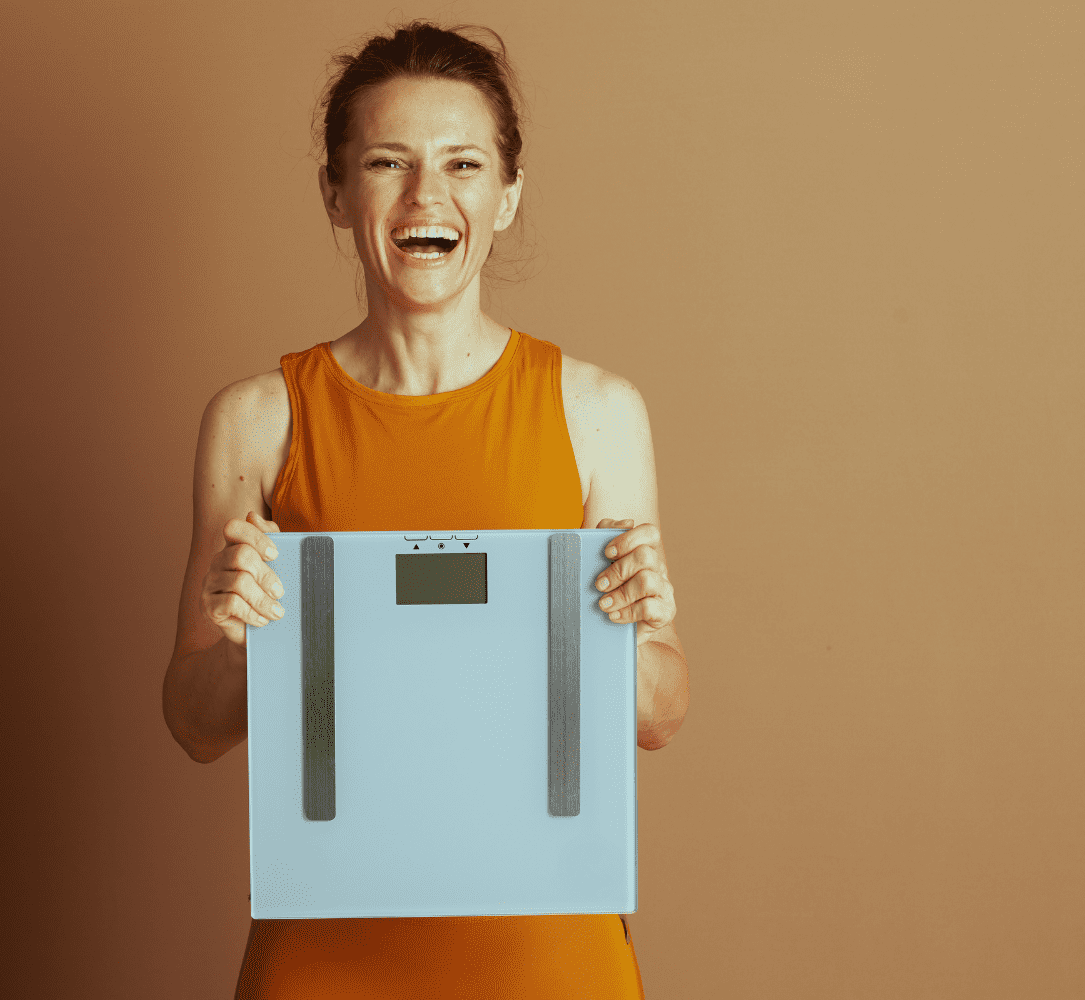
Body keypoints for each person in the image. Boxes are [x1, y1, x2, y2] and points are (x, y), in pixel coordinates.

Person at [162, 20, 690, 998]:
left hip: (549, 959)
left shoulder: (598, 411)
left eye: (462, 163)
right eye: (386, 162)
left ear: (507, 194)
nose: (425, 197)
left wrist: (630, 631)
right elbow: (195, 723)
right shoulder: (257, 420)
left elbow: (659, 716)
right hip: (324, 957)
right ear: (336, 191)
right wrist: (247, 642)